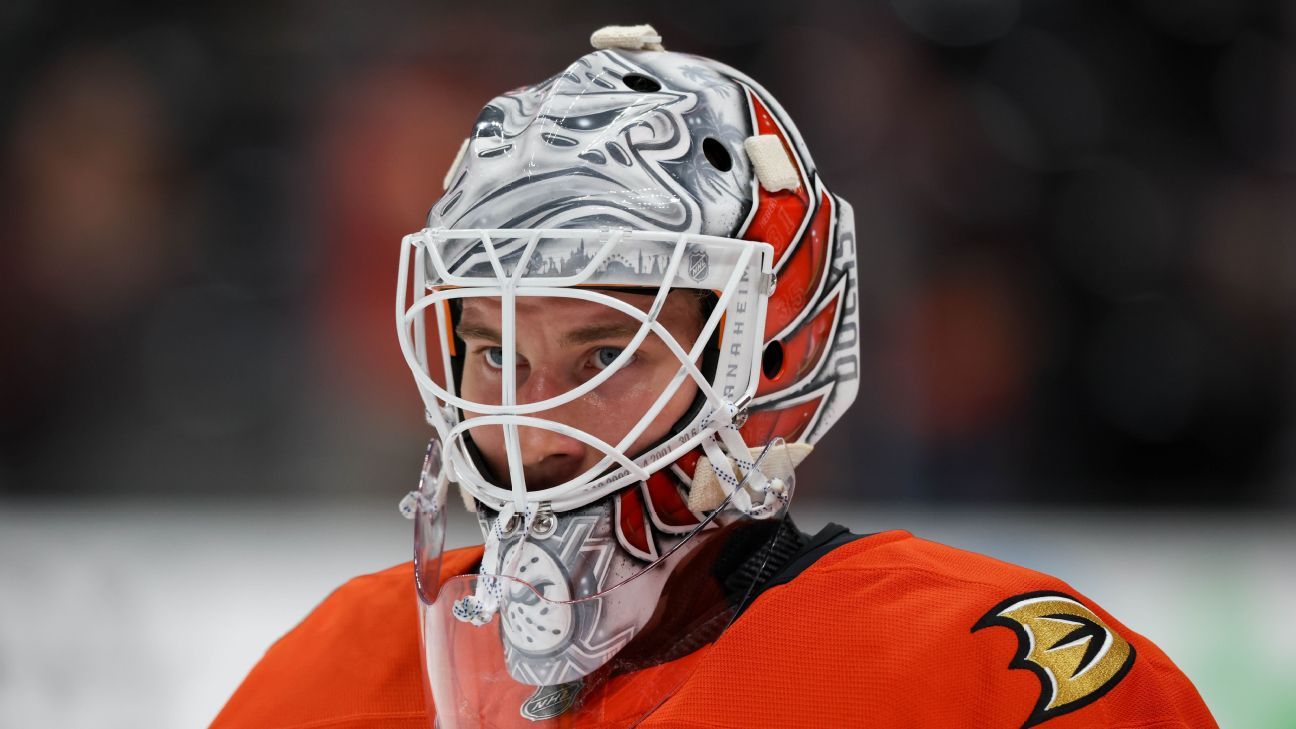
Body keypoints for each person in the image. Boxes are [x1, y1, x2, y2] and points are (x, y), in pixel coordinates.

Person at [212, 26, 1217, 729]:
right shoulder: (339, 671)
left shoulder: (978, 674)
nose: (536, 424)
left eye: (604, 355)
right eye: (496, 354)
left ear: (766, 356)